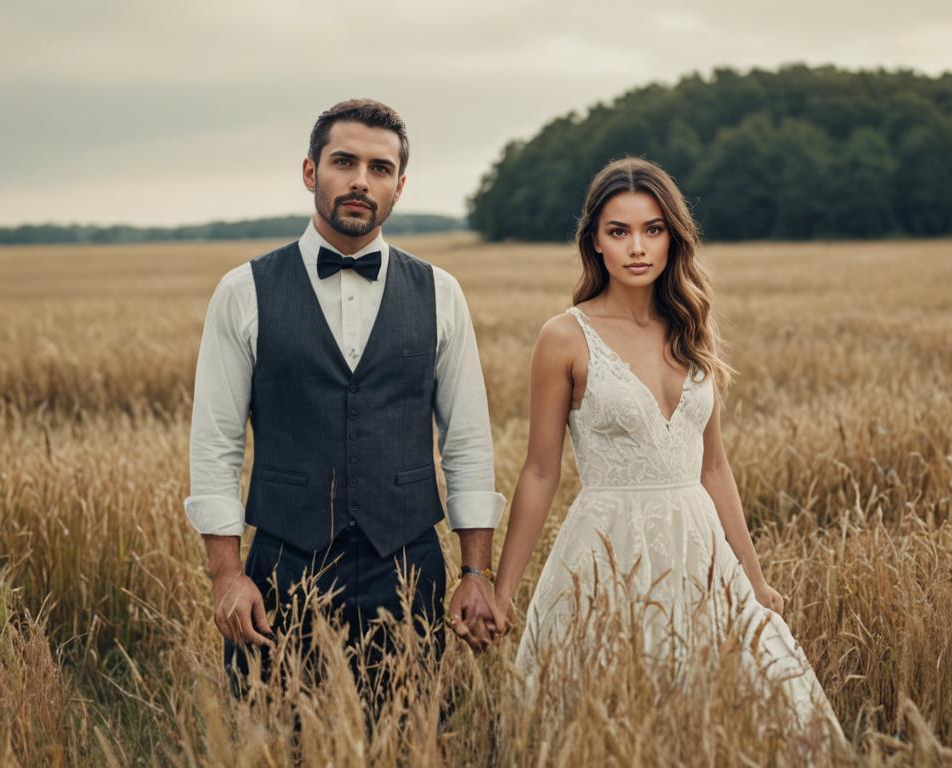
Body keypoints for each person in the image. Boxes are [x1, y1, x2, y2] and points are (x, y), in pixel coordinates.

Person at [492, 157, 842, 736]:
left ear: (672, 238)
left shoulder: (692, 328)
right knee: (609, 719)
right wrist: (503, 591)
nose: (637, 247)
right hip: (606, 551)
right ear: (595, 243)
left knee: (744, 714)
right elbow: (538, 472)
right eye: (619, 231)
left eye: (653, 229)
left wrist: (753, 579)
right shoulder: (564, 336)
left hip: (700, 552)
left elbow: (715, 468)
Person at [184, 98, 506, 703]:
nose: (362, 181)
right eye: (345, 162)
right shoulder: (242, 292)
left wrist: (473, 572)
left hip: (409, 570)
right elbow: (215, 444)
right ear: (311, 172)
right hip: (283, 570)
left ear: (399, 186)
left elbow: (466, 441)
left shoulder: (442, 293)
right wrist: (227, 575)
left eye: (380, 168)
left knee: (413, 740)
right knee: (280, 740)